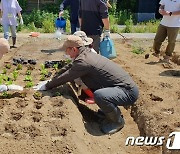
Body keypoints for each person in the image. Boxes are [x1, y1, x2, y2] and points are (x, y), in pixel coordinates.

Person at [33, 35, 139, 134]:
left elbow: (66, 77)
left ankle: (117, 121)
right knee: (97, 89)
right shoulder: (85, 54)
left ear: (74, 49)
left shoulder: (84, 61)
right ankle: (109, 112)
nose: (66, 52)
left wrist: (47, 86)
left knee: (100, 95)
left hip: (127, 92)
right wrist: (51, 80)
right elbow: (68, 68)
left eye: (67, 50)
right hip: (120, 88)